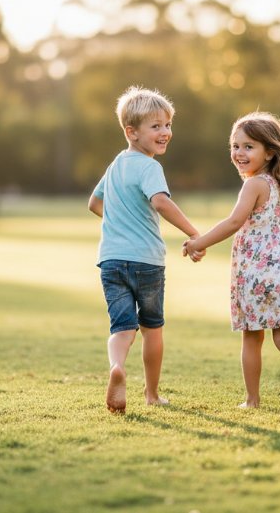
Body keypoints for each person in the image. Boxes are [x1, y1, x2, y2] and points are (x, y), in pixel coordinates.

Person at [184, 112, 280, 408]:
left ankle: (252, 400)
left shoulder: (253, 186)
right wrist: (278, 244)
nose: (239, 152)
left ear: (269, 152)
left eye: (248, 146)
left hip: (254, 274)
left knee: (252, 339)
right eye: (235, 145)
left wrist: (198, 243)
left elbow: (233, 222)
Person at [88, 86, 203, 414]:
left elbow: (94, 203)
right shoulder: (150, 167)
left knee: (122, 327)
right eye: (156, 126)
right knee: (152, 328)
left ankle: (116, 367)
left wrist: (118, 223)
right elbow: (161, 203)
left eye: (167, 125)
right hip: (147, 262)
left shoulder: (116, 165)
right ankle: (151, 394)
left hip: (111, 260)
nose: (165, 132)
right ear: (132, 132)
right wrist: (195, 233)